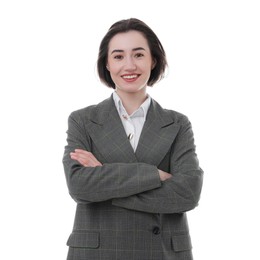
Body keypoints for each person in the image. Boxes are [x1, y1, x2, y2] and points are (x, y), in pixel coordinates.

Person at [63, 18, 203, 260]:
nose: (129, 65)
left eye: (138, 55)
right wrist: (154, 175)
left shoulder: (178, 123)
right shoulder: (83, 120)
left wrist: (105, 177)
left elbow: (187, 193)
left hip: (160, 252)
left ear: (153, 60)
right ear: (106, 64)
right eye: (118, 56)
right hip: (97, 252)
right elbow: (79, 186)